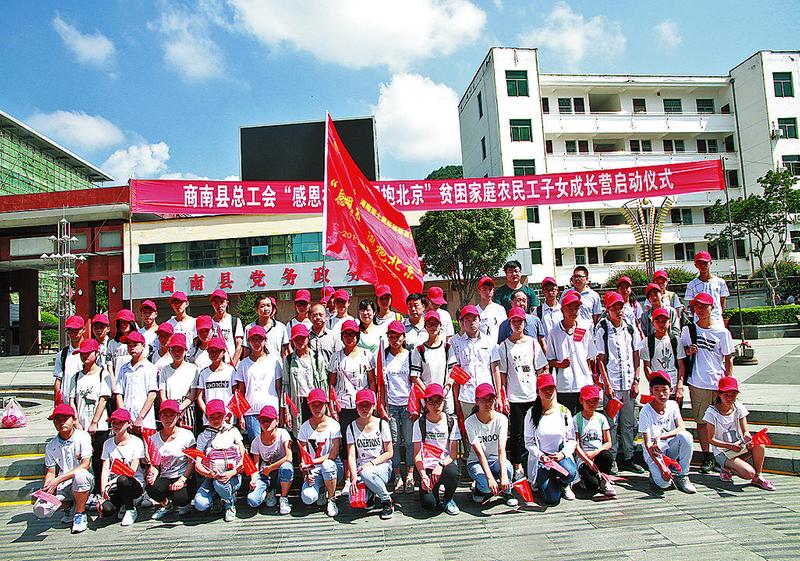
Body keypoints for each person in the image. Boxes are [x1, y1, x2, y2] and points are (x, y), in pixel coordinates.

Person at [681, 291, 734, 473]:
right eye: (697, 306)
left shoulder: (722, 332)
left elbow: (728, 359)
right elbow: (681, 353)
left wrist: (728, 383)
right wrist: (688, 351)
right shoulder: (688, 330)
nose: (700, 310)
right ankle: (707, 456)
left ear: (712, 307)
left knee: (721, 420)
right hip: (698, 382)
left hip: (718, 383)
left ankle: (722, 456)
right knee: (702, 421)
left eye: (704, 306)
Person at [595, 291, 645, 474]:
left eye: (620, 306)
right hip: (613, 386)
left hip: (629, 383)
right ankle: (613, 458)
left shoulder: (630, 328)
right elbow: (600, 359)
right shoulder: (602, 328)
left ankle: (629, 458)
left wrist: (636, 380)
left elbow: (636, 356)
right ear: (607, 309)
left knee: (628, 423)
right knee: (612, 423)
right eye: (614, 307)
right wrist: (607, 385)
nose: (618, 310)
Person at [496, 307, 548, 480]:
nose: (517, 324)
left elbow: (541, 369)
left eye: (520, 321)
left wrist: (542, 393)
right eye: (514, 321)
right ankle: (517, 465)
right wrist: (503, 396)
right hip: (515, 397)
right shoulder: (504, 346)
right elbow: (502, 374)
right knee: (517, 433)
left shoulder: (533, 343)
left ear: (525, 323)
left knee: (535, 431)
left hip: (533, 395)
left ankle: (535, 463)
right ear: (509, 323)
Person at [328, 318, 375, 494]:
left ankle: (362, 475)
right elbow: (331, 384)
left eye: (353, 334)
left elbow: (371, 381)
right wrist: (332, 407)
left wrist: (373, 402)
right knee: (347, 441)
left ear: (358, 335)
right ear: (342, 336)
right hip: (343, 406)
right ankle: (348, 478)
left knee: (362, 440)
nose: (350, 337)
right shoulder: (336, 356)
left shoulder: (366, 355)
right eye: (346, 334)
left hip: (363, 405)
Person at [703, 377, 774, 490]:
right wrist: (730, 446)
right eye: (726, 395)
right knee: (748, 473)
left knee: (759, 443)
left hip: (739, 446)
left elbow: (746, 431)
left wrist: (747, 438)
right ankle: (727, 468)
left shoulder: (738, 407)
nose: (729, 398)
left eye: (733, 395)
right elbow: (711, 439)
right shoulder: (711, 412)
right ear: (718, 394)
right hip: (723, 451)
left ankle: (758, 476)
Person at [33, 404, 94, 533]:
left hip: (84, 481)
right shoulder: (51, 446)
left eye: (65, 419)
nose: (61, 423)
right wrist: (48, 486)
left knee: (80, 475)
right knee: (40, 509)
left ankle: (80, 513)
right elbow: (50, 471)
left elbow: (85, 464)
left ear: (74, 420)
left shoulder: (83, 436)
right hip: (63, 485)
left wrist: (58, 480)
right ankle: (69, 507)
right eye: (57, 420)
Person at [523, 374, 578, 505]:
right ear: (538, 391)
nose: (548, 392)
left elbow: (572, 440)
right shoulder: (531, 413)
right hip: (542, 460)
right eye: (544, 389)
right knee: (552, 498)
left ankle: (564, 484)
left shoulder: (564, 411)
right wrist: (541, 456)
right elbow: (529, 443)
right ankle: (546, 480)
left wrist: (562, 454)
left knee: (571, 473)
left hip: (560, 456)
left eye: (551, 388)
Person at [639, 371, 696, 494]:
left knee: (686, 436)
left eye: (664, 390)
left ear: (670, 390)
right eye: (657, 389)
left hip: (669, 446)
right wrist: (661, 468)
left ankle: (683, 475)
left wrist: (660, 436)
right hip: (654, 452)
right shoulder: (645, 411)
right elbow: (648, 444)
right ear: (651, 391)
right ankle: (657, 471)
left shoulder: (673, 405)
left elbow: (681, 427)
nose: (661, 394)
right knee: (664, 484)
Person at [70, 338, 112, 498]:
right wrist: (76, 423)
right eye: (82, 353)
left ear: (96, 353)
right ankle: (85, 493)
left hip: (100, 426)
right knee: (82, 459)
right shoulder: (76, 377)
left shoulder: (103, 374)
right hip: (81, 426)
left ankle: (100, 491)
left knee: (99, 460)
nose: (85, 356)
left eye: (88, 353)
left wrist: (94, 422)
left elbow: (103, 399)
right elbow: (72, 401)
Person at [464, 383, 518, 507]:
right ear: (477, 401)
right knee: (486, 486)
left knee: (508, 469)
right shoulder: (470, 422)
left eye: (490, 400)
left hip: (495, 459)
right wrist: (489, 478)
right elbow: (479, 454)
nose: (487, 404)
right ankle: (479, 488)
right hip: (476, 461)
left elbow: (501, 449)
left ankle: (506, 491)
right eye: (483, 400)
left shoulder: (502, 419)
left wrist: (504, 475)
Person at [193, 399, 246, 522]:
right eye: (211, 417)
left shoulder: (233, 431)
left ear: (225, 415)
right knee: (200, 504)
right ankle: (218, 497)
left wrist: (231, 473)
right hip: (212, 477)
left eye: (219, 416)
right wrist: (209, 474)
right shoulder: (203, 436)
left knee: (220, 484)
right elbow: (197, 465)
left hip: (233, 475)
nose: (215, 420)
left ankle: (229, 504)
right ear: (207, 417)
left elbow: (244, 457)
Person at [545, 290, 597, 414]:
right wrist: (559, 364)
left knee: (584, 418)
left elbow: (590, 356)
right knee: (566, 418)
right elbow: (549, 360)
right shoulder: (554, 332)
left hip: (584, 383)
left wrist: (591, 376)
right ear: (562, 310)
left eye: (576, 308)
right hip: (565, 386)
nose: (573, 312)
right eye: (570, 308)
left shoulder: (584, 329)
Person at [346, 388, 395, 519]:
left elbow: (389, 452)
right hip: (361, 468)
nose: (364, 409)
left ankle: (387, 501)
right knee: (356, 496)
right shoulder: (351, 427)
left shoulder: (382, 424)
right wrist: (353, 477)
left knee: (367, 473)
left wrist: (371, 464)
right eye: (361, 405)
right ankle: (371, 493)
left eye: (367, 405)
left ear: (373, 405)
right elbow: (351, 455)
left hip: (381, 466)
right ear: (356, 406)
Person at [413, 384, 461, 515]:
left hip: (444, 464)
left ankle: (448, 499)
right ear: (425, 403)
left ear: (444, 402)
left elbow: (453, 454)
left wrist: (440, 465)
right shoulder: (419, 423)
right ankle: (430, 489)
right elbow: (417, 455)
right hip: (427, 466)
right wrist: (423, 476)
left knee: (452, 472)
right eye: (431, 401)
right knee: (429, 504)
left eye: (439, 401)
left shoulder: (451, 421)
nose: (436, 405)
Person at [378, 320, 415, 494]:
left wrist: (415, 406)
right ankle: (398, 476)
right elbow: (381, 384)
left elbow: (414, 380)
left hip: (407, 404)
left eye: (398, 336)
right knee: (394, 441)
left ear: (404, 337)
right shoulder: (384, 356)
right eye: (391, 336)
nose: (394, 339)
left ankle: (410, 475)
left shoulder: (410, 355)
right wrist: (381, 405)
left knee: (409, 441)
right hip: (391, 405)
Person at [146, 400, 196, 520]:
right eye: (165, 415)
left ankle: (185, 503)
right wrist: (153, 475)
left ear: (178, 416)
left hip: (183, 475)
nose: (168, 418)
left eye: (172, 415)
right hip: (165, 476)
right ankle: (166, 505)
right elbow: (155, 464)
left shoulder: (187, 435)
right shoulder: (153, 438)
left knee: (181, 499)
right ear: (160, 417)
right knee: (151, 488)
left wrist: (182, 480)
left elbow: (191, 462)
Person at [233, 325, 283, 442]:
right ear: (249, 341)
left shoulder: (274, 362)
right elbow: (240, 392)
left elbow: (279, 389)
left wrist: (281, 411)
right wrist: (240, 415)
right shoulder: (243, 364)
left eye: (259, 339)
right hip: (251, 412)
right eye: (253, 339)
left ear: (265, 340)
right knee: (256, 444)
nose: (256, 343)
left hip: (271, 410)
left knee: (271, 443)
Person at [297, 388, 343, 517]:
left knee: (327, 465)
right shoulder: (304, 427)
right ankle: (322, 489)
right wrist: (306, 472)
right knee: (308, 498)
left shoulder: (334, 425)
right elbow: (303, 455)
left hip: (333, 467)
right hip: (314, 469)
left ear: (326, 405)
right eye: (313, 405)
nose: (317, 408)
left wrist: (311, 462)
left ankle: (331, 499)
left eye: (320, 405)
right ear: (309, 406)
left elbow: (333, 454)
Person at [450, 305, 501, 420]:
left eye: (474, 319)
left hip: (487, 394)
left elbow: (495, 369)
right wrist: (456, 401)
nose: (471, 323)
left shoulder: (489, 342)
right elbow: (455, 373)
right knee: (468, 426)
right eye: (467, 320)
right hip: (467, 395)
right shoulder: (456, 343)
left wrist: (498, 396)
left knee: (488, 425)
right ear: (462, 322)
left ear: (479, 320)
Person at [98, 408, 146, 525]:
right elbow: (105, 469)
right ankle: (122, 504)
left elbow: (132, 471)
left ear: (128, 423)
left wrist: (111, 483)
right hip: (114, 486)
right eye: (114, 422)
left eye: (120, 422)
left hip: (133, 483)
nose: (116, 425)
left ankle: (130, 509)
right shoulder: (107, 443)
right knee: (106, 510)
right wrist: (103, 492)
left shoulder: (136, 442)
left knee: (123, 479)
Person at [246, 405, 294, 515]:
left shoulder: (283, 433)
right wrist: (253, 480)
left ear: (276, 421)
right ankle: (267, 491)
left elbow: (289, 457)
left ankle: (283, 498)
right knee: (252, 500)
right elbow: (255, 465)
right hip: (265, 474)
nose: (266, 423)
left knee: (286, 467)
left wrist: (270, 468)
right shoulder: (256, 442)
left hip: (280, 471)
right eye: (263, 420)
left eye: (269, 420)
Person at [410, 310, 457, 416]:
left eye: (435, 324)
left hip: (445, 396)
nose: (432, 327)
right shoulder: (419, 350)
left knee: (447, 422)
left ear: (440, 326)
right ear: (425, 327)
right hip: (427, 398)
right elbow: (415, 376)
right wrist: (429, 393)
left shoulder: (447, 348)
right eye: (429, 324)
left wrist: (445, 390)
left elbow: (453, 372)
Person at [573, 385, 616, 498]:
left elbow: (608, 442)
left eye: (595, 401)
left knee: (606, 455)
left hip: (598, 454)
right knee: (592, 485)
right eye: (588, 401)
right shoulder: (576, 419)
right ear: (581, 401)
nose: (592, 404)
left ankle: (605, 480)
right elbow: (576, 445)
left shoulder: (601, 418)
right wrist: (588, 461)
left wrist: (596, 452)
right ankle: (585, 477)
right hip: (583, 457)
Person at [283, 323, 328, 431]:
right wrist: (286, 410)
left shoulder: (317, 357)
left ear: (308, 338)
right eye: (296, 339)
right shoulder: (289, 360)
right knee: (300, 432)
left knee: (317, 431)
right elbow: (286, 386)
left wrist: (325, 405)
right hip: (298, 402)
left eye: (302, 338)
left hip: (315, 401)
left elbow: (323, 383)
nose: (300, 341)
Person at [113, 331, 158, 433]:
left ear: (143, 346)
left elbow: (152, 394)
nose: (132, 348)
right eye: (129, 345)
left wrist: (141, 416)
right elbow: (119, 393)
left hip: (146, 421)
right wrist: (123, 416)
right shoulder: (124, 368)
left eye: (135, 345)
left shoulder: (150, 368)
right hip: (127, 421)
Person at [642, 308, 686, 407]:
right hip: (657, 388)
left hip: (673, 387)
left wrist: (680, 386)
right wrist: (653, 384)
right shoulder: (647, 342)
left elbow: (681, 365)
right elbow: (647, 366)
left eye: (664, 321)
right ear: (653, 324)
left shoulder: (676, 340)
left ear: (669, 322)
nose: (661, 324)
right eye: (658, 321)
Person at [158, 333, 199, 432]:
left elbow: (192, 395)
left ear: (185, 350)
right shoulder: (165, 370)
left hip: (187, 408)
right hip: (169, 409)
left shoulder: (193, 369)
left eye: (180, 350)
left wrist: (180, 409)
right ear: (170, 351)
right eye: (174, 350)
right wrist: (171, 410)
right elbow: (162, 395)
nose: (177, 353)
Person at [195, 337, 235, 427]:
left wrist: (230, 412)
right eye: (211, 351)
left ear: (223, 352)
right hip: (209, 420)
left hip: (227, 418)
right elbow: (199, 397)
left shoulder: (231, 371)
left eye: (217, 351)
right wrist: (208, 413)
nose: (214, 354)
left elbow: (236, 394)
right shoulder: (203, 373)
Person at [684, 251, 729, 324]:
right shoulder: (691, 285)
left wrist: (719, 314)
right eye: (700, 263)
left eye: (705, 263)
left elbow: (722, 302)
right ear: (696, 265)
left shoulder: (720, 282)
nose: (703, 265)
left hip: (717, 320)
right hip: (699, 322)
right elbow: (691, 305)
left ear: (710, 263)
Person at [243, 294, 289, 359]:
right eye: (262, 306)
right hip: (256, 364)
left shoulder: (281, 327)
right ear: (256, 309)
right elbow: (246, 351)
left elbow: (284, 352)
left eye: (268, 305)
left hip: (276, 364)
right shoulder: (249, 328)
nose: (266, 309)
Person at [53, 315, 85, 405]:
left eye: (76, 330)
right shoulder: (62, 355)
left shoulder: (91, 352)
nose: (73, 333)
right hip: (66, 402)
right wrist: (57, 401)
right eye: (70, 330)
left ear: (83, 330)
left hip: (85, 403)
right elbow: (58, 379)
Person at [210, 289, 244, 367]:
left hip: (232, 364)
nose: (219, 305)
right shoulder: (209, 323)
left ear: (227, 303)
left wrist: (232, 365)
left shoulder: (235, 321)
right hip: (215, 365)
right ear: (212, 304)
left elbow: (239, 345)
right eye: (216, 302)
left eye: (222, 302)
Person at [476, 276, 507, 344]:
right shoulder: (475, 311)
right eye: (484, 289)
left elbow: (505, 329)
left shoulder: (500, 309)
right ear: (479, 291)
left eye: (490, 289)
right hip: (481, 346)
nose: (488, 292)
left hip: (498, 346)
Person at [108, 309, 138, 376]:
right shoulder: (112, 343)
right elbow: (109, 364)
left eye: (126, 322)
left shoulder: (138, 342)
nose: (123, 325)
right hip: (117, 379)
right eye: (121, 322)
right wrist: (113, 380)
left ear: (131, 323)